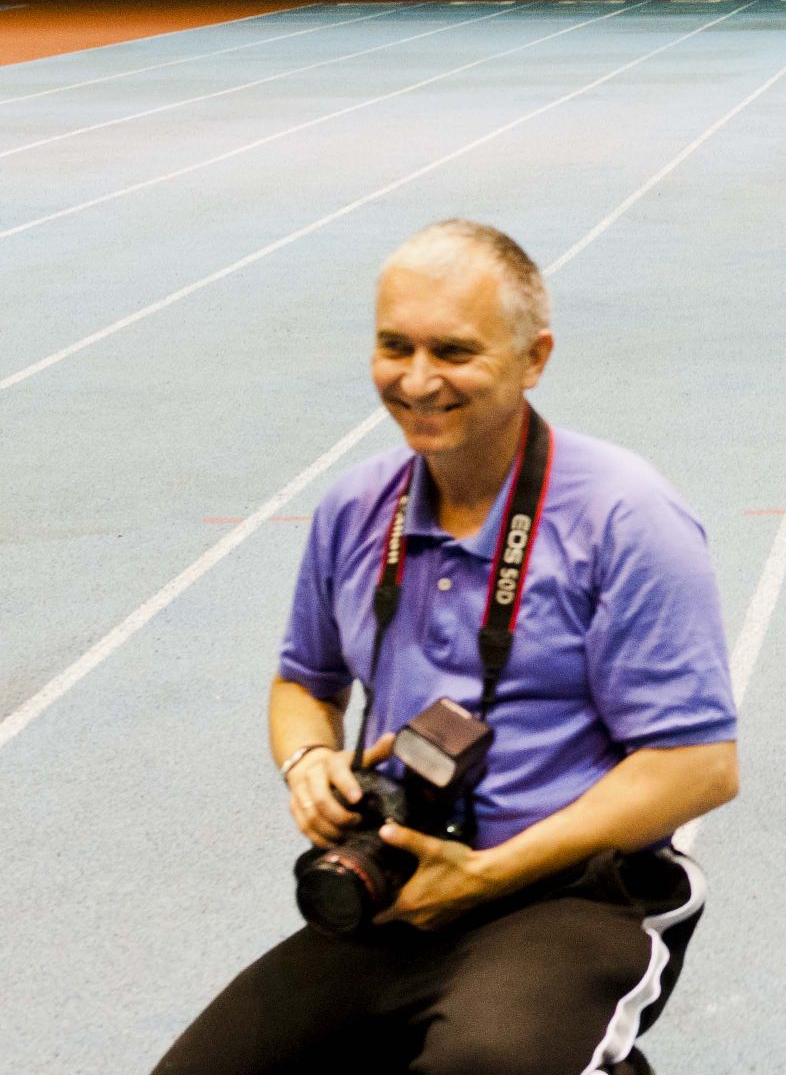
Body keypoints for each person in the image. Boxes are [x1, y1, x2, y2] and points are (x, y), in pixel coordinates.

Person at [156, 220, 739, 1075]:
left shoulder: (625, 516)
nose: (418, 380)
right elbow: (303, 682)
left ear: (534, 359)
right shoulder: (354, 509)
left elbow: (698, 767)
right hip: (402, 885)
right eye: (396, 346)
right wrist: (308, 760)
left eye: (455, 352)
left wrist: (491, 873)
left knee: (484, 1064)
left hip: (576, 894)